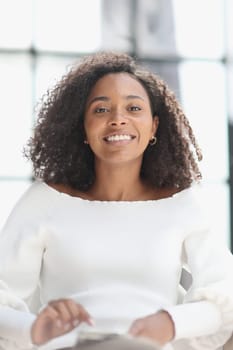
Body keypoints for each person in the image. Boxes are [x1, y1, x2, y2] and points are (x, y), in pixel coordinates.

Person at [0, 51, 232, 350]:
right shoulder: (44, 200)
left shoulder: (182, 203)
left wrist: (171, 323)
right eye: (100, 110)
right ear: (82, 128)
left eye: (133, 108)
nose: (118, 119)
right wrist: (36, 329)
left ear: (154, 127)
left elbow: (226, 290)